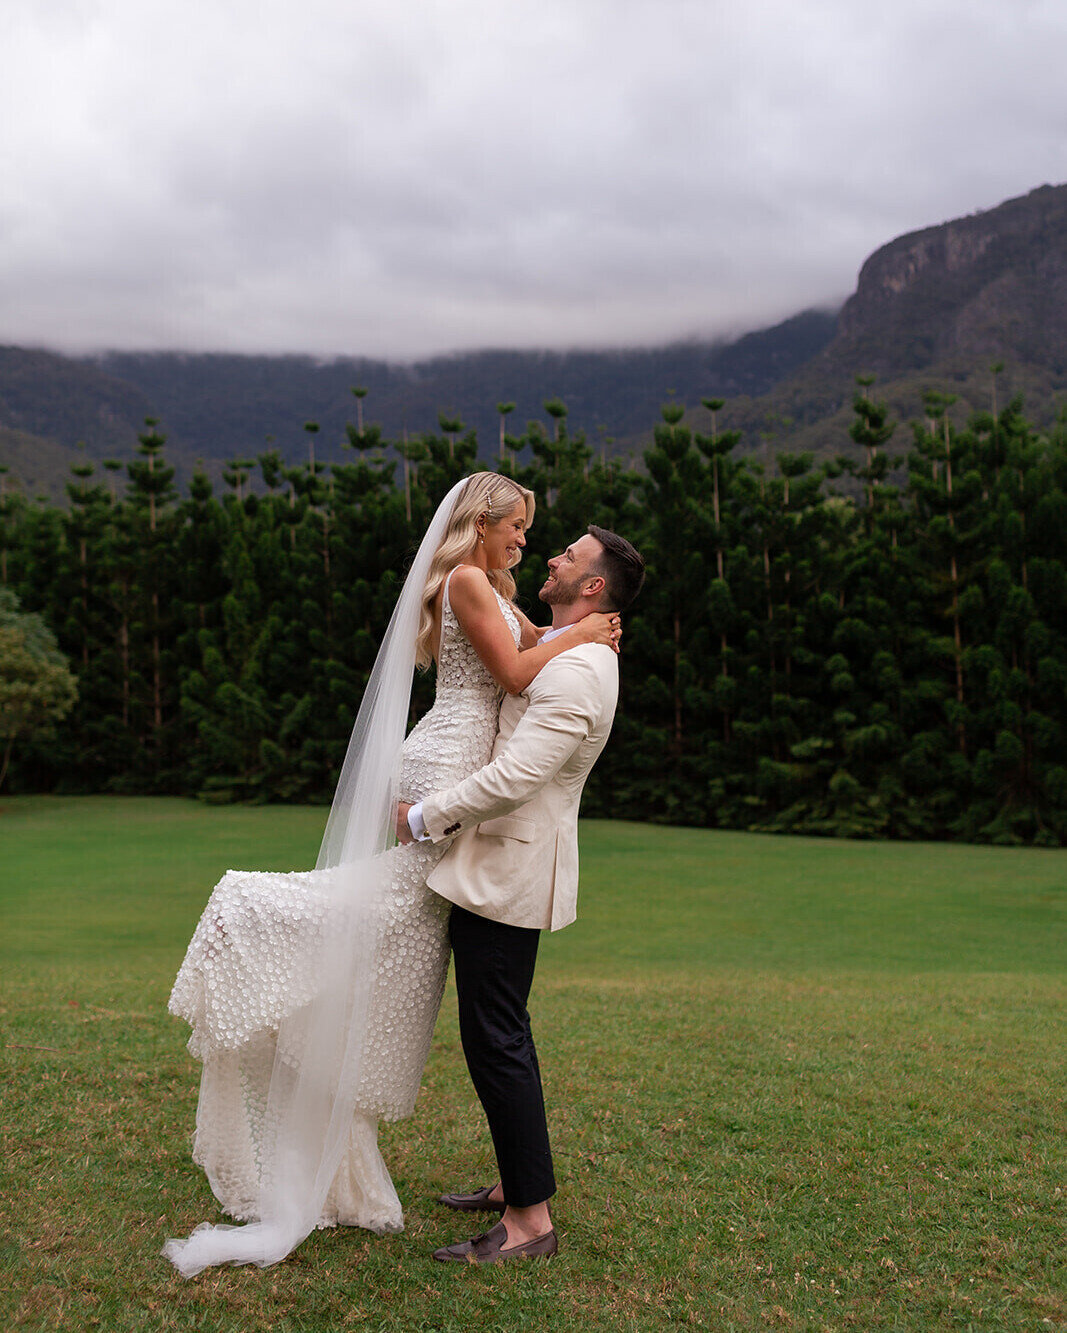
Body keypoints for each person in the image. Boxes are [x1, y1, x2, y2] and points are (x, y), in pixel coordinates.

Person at [162, 473, 621, 1277]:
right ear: (479, 523)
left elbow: (520, 672)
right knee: (380, 924)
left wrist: (568, 641)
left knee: (410, 957)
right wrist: (580, 637)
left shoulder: (493, 582)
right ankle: (245, 909)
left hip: (460, 792)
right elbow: (514, 675)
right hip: (446, 774)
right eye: (516, 525)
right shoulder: (471, 579)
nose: (526, 540)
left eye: (538, 534)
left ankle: (508, 1184)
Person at [395, 525, 646, 1264]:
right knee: (500, 1034)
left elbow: (515, 779)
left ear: (593, 585)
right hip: (496, 866)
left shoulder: (581, 672)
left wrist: (419, 816)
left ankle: (530, 1223)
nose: (553, 558)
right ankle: (515, 1182)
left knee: (496, 1040)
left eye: (567, 555)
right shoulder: (569, 648)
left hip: (508, 874)